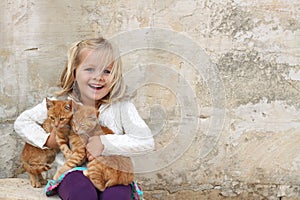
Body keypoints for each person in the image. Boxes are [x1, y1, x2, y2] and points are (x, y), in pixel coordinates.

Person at [14, 37, 155, 200]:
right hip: (74, 173)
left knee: (116, 197)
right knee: (81, 193)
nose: (99, 77)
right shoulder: (62, 103)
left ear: (115, 76)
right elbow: (22, 122)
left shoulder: (121, 105)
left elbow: (146, 142)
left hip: (112, 172)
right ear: (74, 72)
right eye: (90, 69)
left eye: (106, 71)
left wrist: (105, 144)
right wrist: (47, 140)